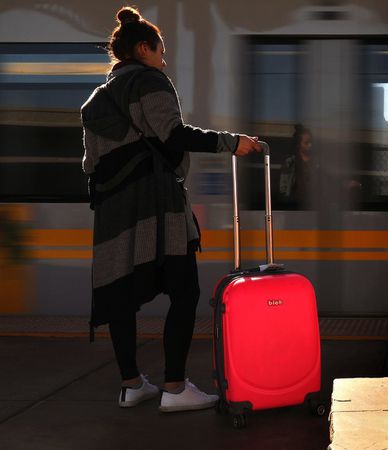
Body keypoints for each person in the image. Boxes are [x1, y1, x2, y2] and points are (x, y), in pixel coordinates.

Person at [81, 6, 261, 412]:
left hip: (113, 214)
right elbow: (174, 134)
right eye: (162, 51)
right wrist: (233, 142)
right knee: (185, 291)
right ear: (143, 48)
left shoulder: (97, 100)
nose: (165, 59)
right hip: (157, 207)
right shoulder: (151, 81)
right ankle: (176, 388)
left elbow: (89, 165)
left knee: (121, 299)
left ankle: (131, 385)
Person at [279, 124, 315, 206]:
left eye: (311, 142)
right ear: (299, 144)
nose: (310, 145)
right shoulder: (290, 163)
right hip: (294, 206)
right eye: (306, 143)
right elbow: (283, 187)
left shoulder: (317, 163)